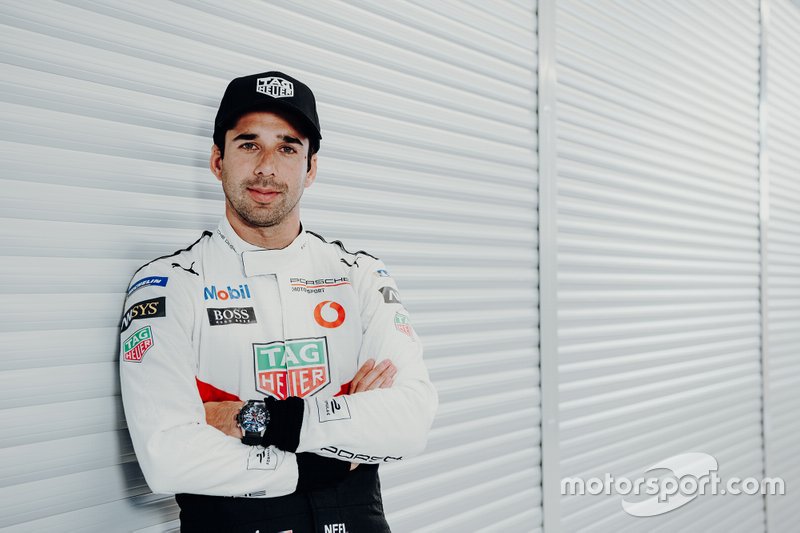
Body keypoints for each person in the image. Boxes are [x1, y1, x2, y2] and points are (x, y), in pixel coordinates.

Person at [119, 70, 438, 532]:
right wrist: (329, 452)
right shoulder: (169, 284)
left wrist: (254, 419)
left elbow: (409, 421)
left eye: (287, 148)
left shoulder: (360, 275)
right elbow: (167, 457)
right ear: (217, 160)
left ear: (310, 168)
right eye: (249, 144)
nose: (267, 167)